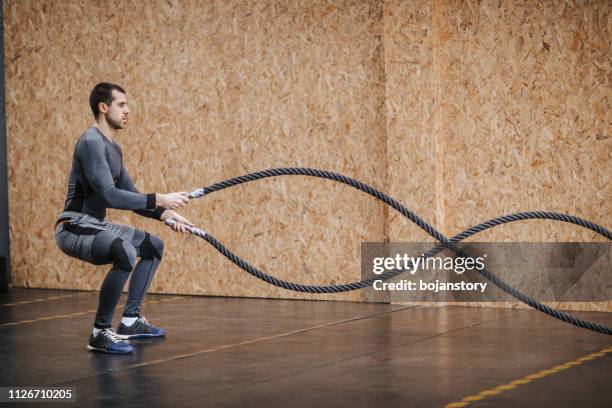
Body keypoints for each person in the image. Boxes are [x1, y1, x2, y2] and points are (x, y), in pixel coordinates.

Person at [55, 82, 193, 354]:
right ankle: (100, 332)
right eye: (121, 105)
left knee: (153, 246)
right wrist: (161, 198)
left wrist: (166, 214)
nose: (127, 111)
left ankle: (130, 321)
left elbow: (131, 196)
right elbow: (110, 196)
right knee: (124, 250)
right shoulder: (90, 142)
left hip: (96, 225)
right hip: (73, 227)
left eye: (127, 105)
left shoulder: (113, 150)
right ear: (103, 108)